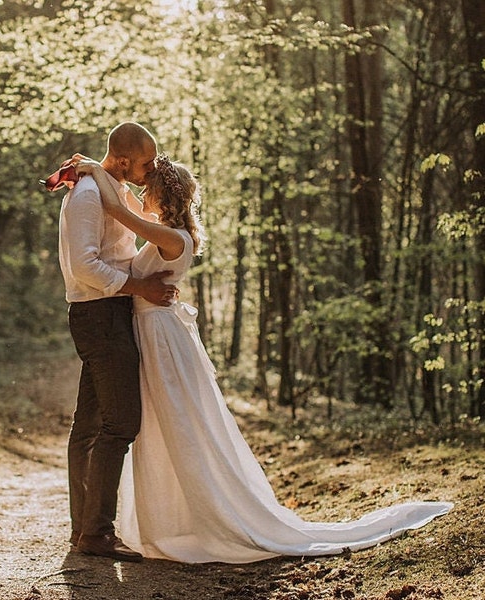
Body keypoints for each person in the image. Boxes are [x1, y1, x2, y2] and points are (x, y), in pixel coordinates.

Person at [73, 154, 453, 564]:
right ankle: (168, 515)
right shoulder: (168, 228)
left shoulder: (173, 237)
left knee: (180, 424)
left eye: (149, 188)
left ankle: (207, 514)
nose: (141, 191)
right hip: (150, 331)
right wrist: (103, 171)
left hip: (161, 338)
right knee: (160, 427)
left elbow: (117, 208)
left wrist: (97, 170)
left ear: (163, 197)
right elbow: (128, 205)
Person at [55, 122, 178, 563]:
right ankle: (97, 533)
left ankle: (84, 529)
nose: (151, 170)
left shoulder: (107, 187)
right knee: (120, 424)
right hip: (98, 314)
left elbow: (137, 224)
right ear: (124, 159)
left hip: (109, 314)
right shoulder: (88, 196)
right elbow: (85, 266)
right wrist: (139, 287)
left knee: (89, 425)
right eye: (146, 162)